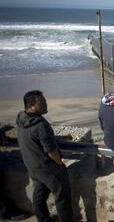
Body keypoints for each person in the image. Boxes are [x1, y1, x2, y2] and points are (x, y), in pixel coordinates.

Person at [16, 90, 73, 222]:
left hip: (32, 166)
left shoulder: (21, 118)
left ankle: (42, 219)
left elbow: (40, 138)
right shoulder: (40, 124)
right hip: (48, 168)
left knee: (39, 195)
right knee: (62, 197)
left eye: (45, 101)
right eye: (41, 103)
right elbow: (50, 150)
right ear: (30, 106)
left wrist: (62, 137)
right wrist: (59, 164)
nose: (46, 105)